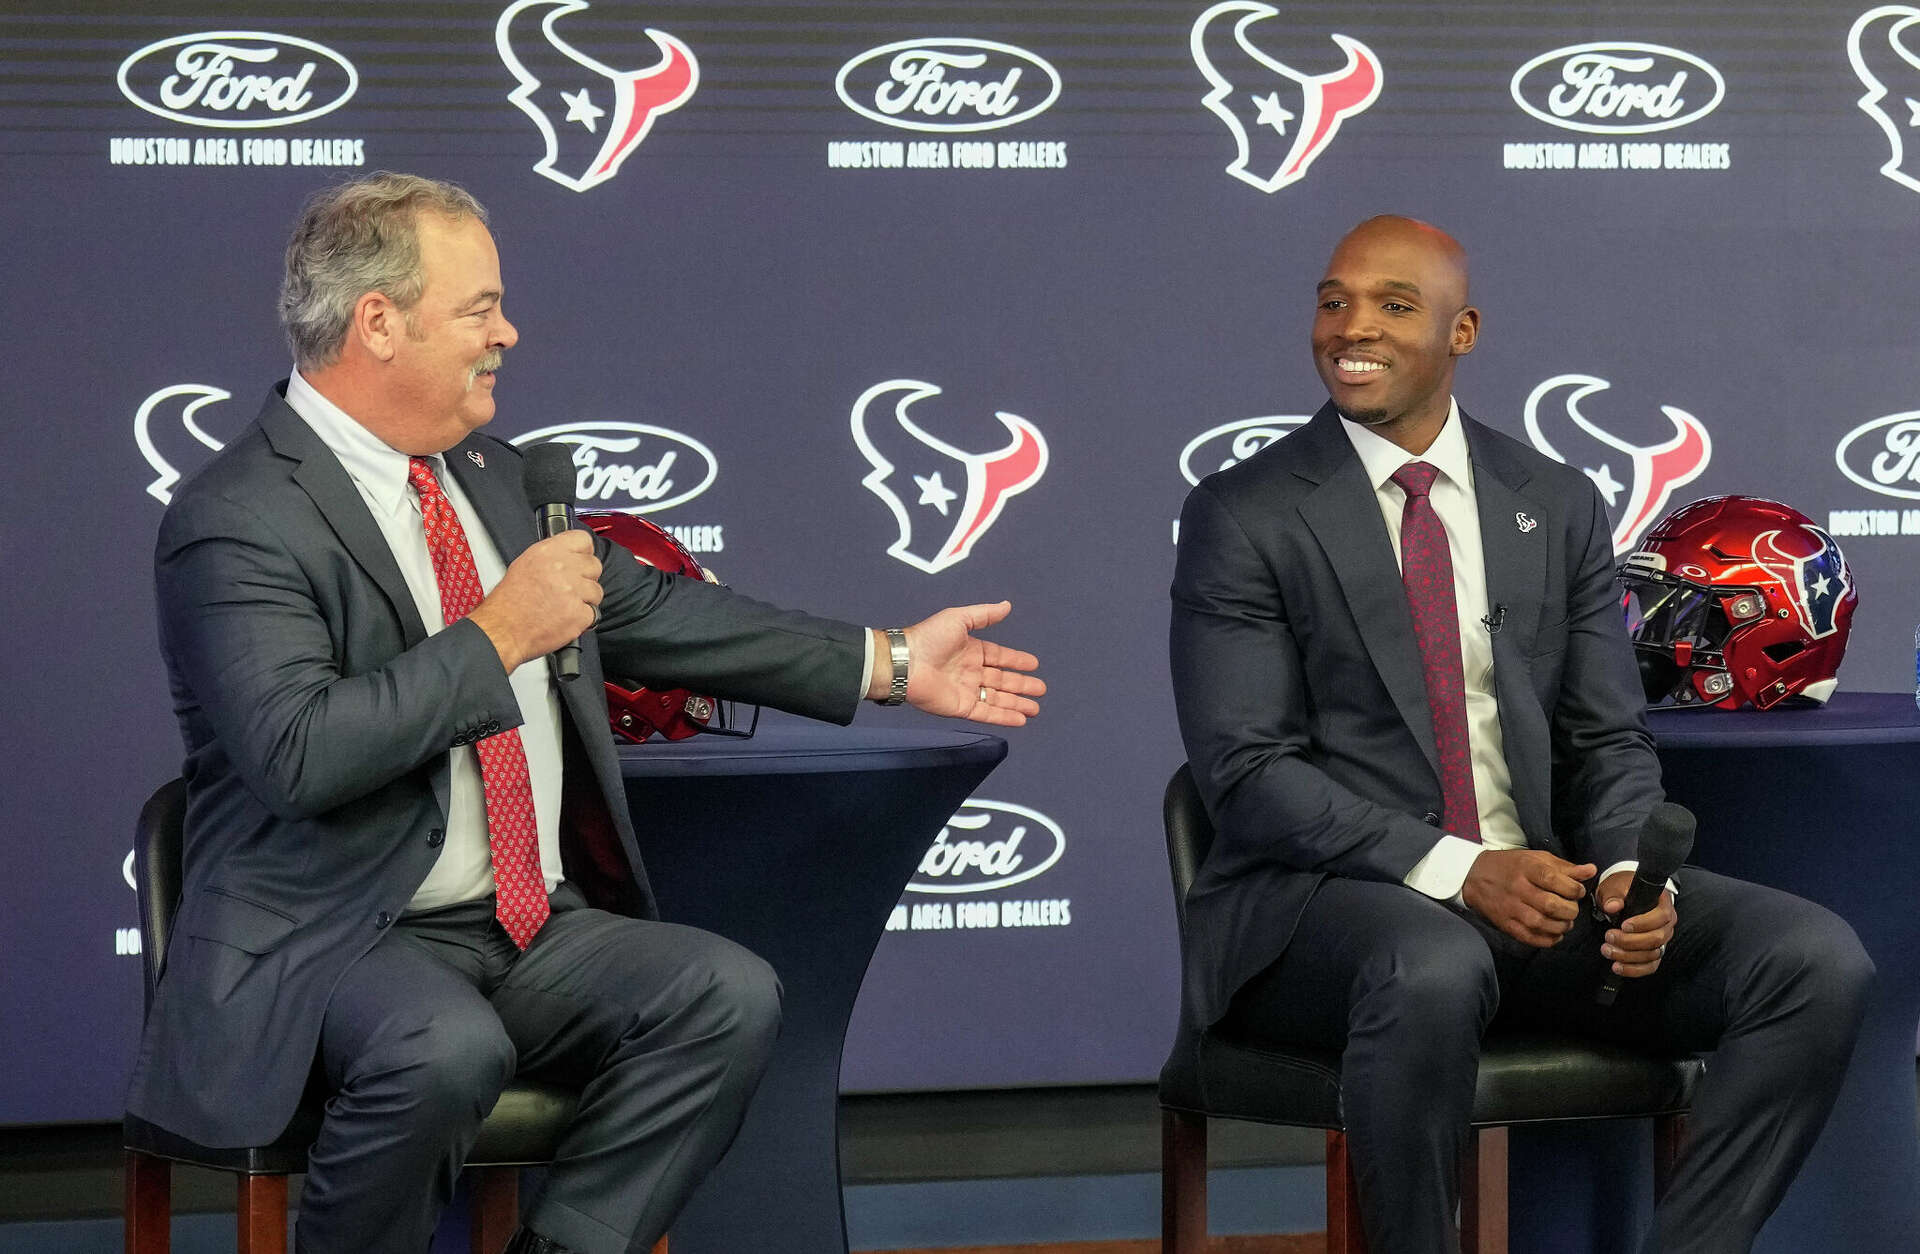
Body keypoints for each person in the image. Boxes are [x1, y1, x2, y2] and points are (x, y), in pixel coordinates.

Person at [126, 171, 1045, 1254]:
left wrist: (888, 662)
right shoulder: (237, 517)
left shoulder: (489, 477)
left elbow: (660, 614)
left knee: (724, 994)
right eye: (480, 309)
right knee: (446, 1047)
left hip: (521, 931)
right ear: (379, 322)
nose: (508, 333)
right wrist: (502, 633)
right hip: (326, 940)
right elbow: (297, 754)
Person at [1169, 214, 1870, 1253]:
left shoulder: (1553, 500)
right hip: (1317, 913)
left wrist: (1636, 876)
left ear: (1463, 332)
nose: (1350, 326)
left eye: (1394, 305)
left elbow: (1606, 737)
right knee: (1432, 965)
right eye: (1333, 300)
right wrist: (1461, 869)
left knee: (1816, 961)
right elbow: (1246, 774)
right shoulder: (1246, 511)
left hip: (1538, 903)